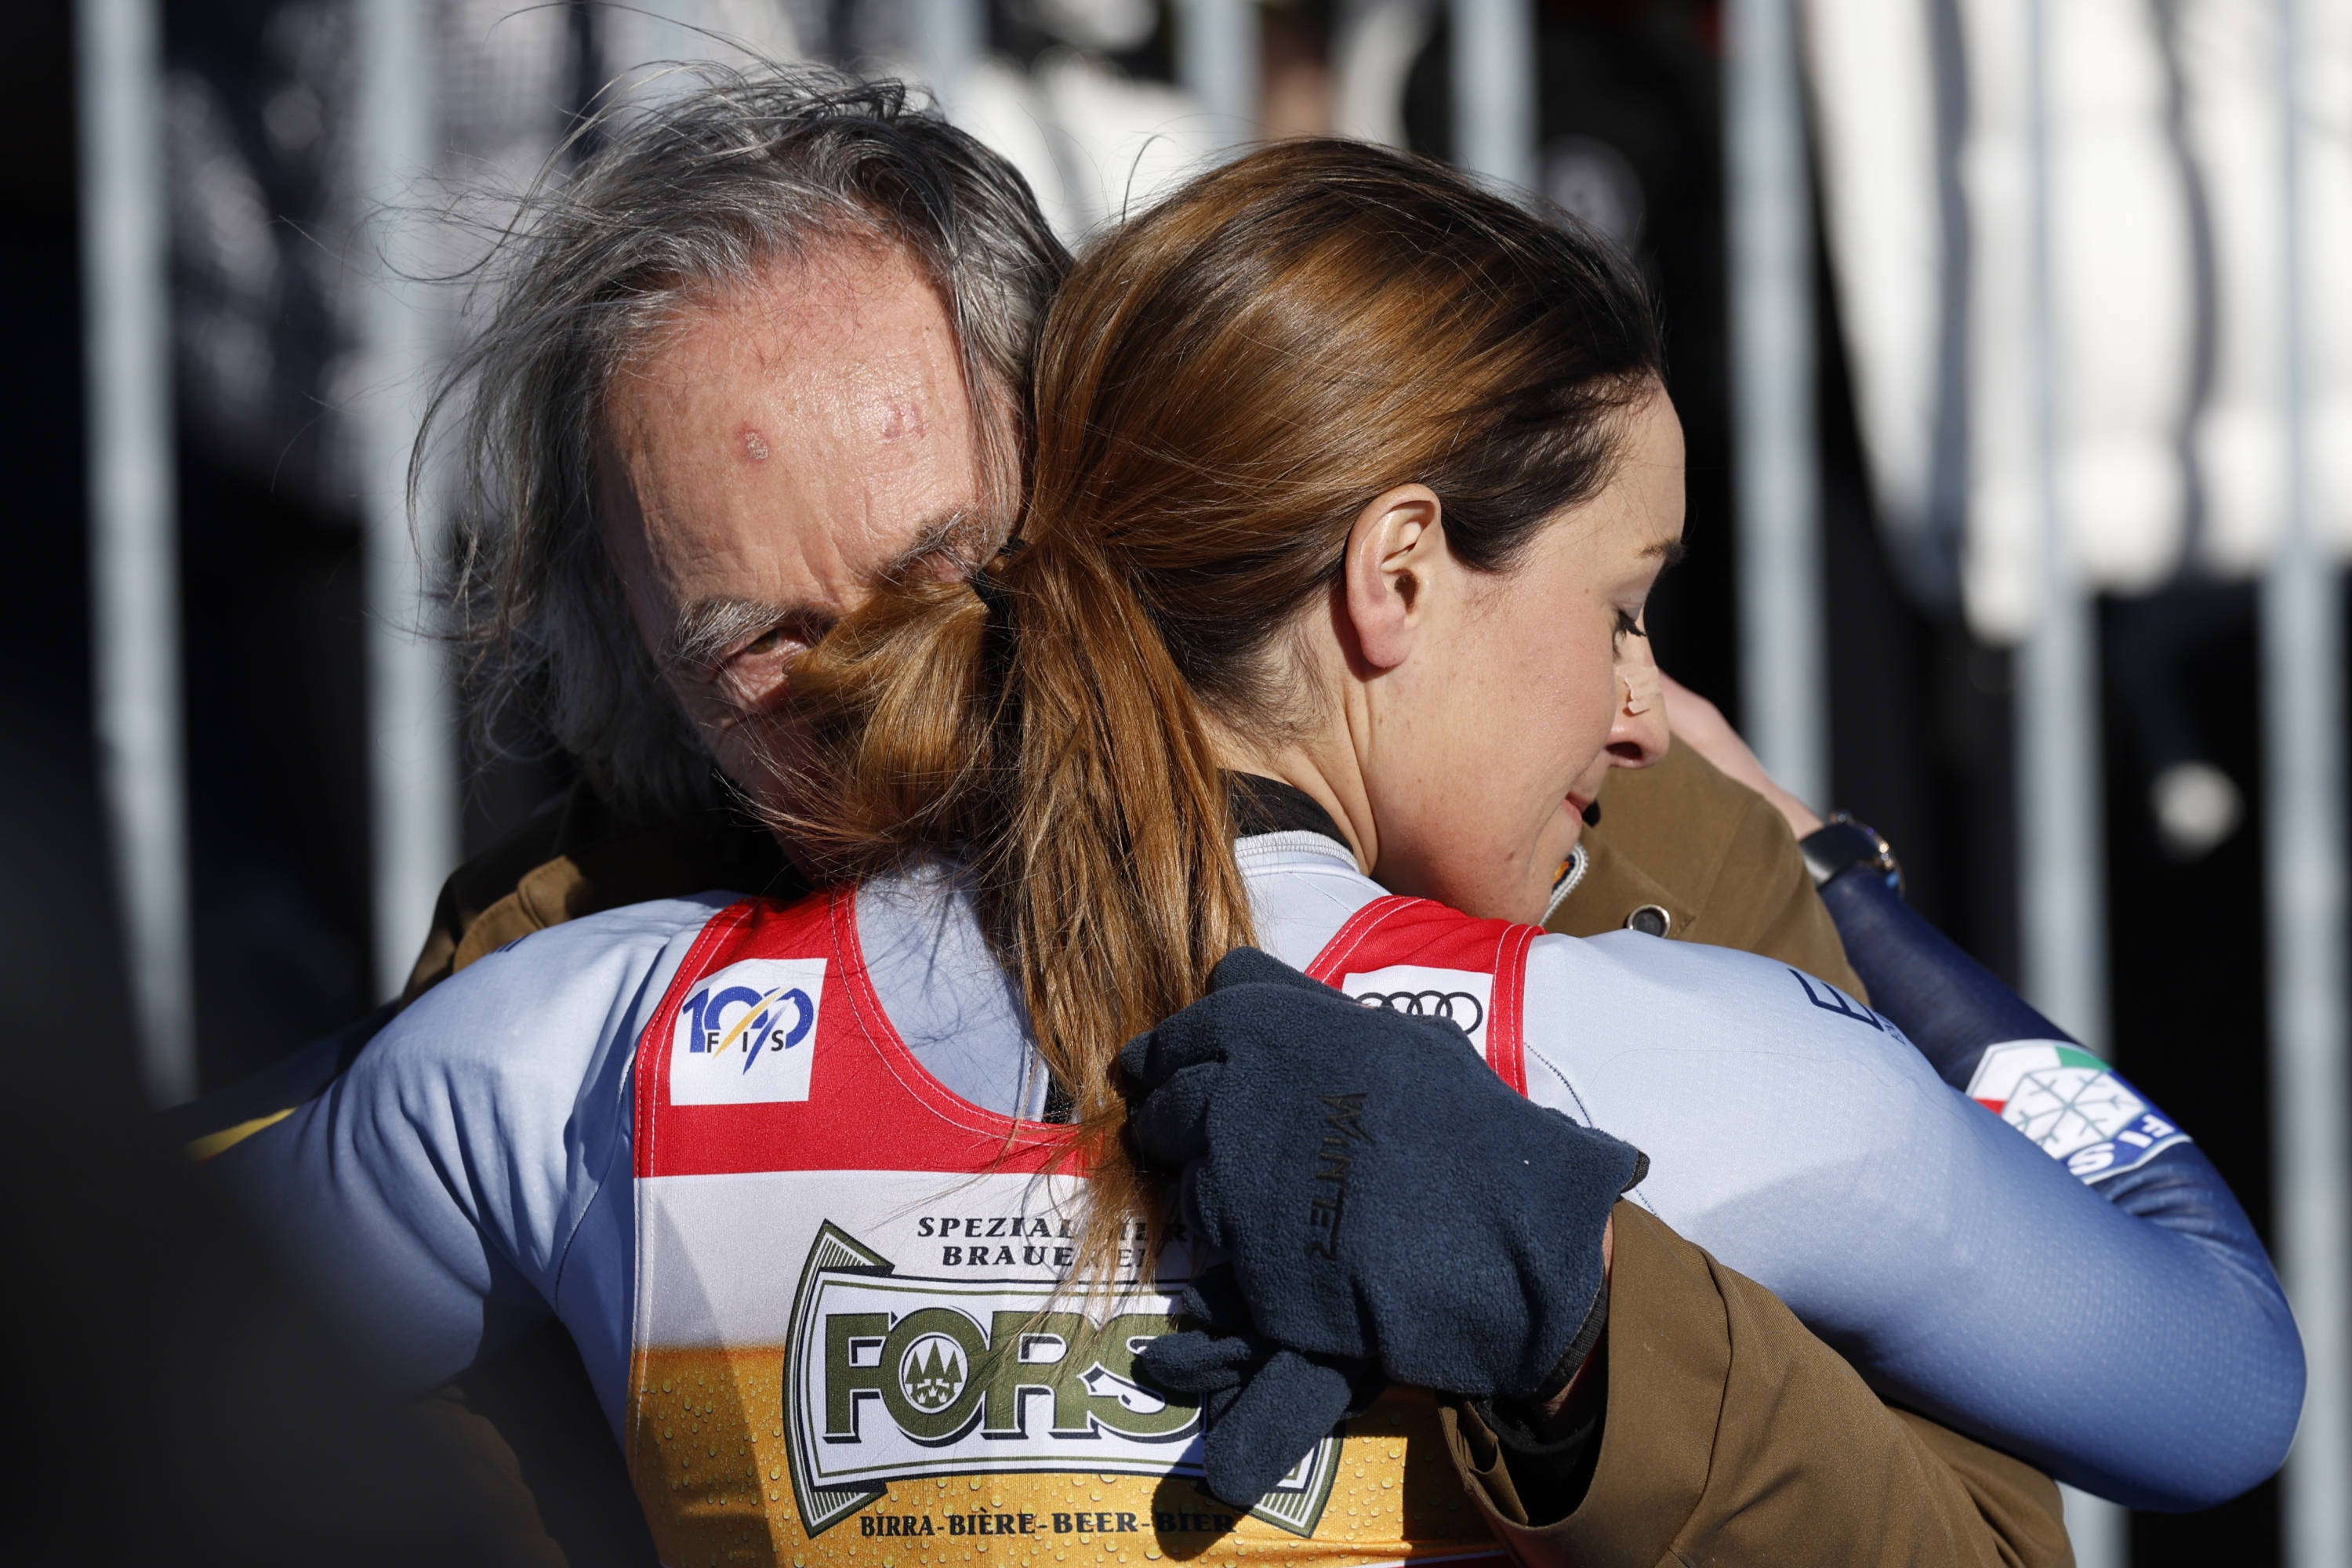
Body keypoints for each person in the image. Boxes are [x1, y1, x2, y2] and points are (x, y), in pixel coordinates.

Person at [216, 139, 2295, 1567]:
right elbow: (2214, 1380)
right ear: (630, 672)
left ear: (1092, 491)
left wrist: (1600, 1349)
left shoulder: (1651, 862)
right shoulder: (565, 990)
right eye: (759, 640)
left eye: (950, 575)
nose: (880, 687)